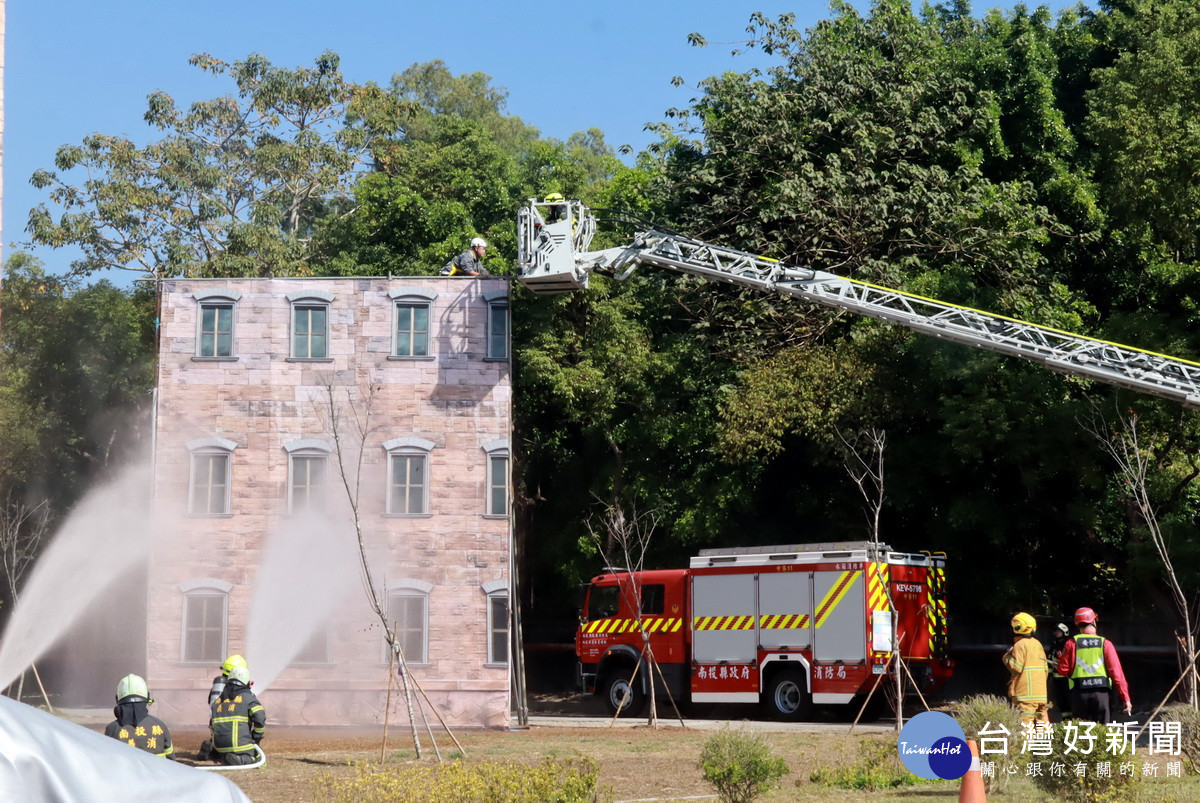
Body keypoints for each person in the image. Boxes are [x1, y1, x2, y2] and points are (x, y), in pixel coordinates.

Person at [1056, 606, 1132, 724]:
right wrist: (1125, 698)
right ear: (1093, 621)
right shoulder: (1105, 644)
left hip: (1079, 695)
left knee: (1081, 734)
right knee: (1101, 732)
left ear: (1077, 624)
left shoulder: (1071, 643)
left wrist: (1060, 661)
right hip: (1101, 695)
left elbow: (1062, 670)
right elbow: (1117, 674)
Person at [103, 674, 175, 759]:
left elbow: (107, 761)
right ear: (147, 697)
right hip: (156, 772)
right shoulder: (160, 725)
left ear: (117, 699)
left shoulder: (112, 729)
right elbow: (171, 760)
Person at [208, 665, 266, 765]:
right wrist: (256, 737)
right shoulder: (248, 698)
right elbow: (260, 718)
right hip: (240, 746)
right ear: (246, 681)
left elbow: (212, 725)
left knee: (226, 754)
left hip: (218, 746)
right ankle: (241, 760)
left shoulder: (217, 701)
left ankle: (222, 756)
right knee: (257, 757)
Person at [1003, 612, 1050, 725]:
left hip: (1025, 695)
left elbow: (1016, 667)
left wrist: (1007, 657)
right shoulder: (1037, 644)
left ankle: (1028, 744)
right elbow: (1045, 670)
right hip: (1041, 695)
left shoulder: (1020, 645)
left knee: (1026, 727)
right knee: (1040, 726)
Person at [1047, 622, 1073, 720]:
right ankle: (1065, 721)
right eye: (1055, 631)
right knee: (1061, 702)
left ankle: (1072, 721)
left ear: (1064, 632)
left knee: (1069, 701)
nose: (1056, 633)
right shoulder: (1054, 644)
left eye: (1058, 631)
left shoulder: (1069, 644)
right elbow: (1049, 659)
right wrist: (1049, 675)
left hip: (1067, 679)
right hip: (1056, 679)